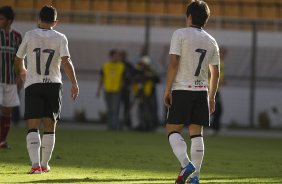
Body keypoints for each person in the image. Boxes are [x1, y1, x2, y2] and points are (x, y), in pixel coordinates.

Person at [14, 6, 79, 174]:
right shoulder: (61, 37)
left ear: (38, 19)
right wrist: (74, 83)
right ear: (55, 22)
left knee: (32, 125)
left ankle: (35, 165)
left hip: (33, 84)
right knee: (50, 125)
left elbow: (18, 58)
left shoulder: (29, 35)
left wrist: (22, 71)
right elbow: (66, 61)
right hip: (53, 84)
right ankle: (44, 164)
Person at [163, 1, 220, 184]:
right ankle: (195, 178)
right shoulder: (211, 40)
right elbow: (216, 73)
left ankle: (186, 164)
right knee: (197, 133)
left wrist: (167, 89)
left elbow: (173, 63)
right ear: (206, 19)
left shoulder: (179, 34)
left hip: (181, 88)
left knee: (172, 129)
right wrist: (211, 97)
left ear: (188, 16)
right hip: (201, 90)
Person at [0, 6, 22, 149]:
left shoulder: (17, 37)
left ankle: (2, 141)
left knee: (7, 111)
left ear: (9, 20)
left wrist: (19, 76)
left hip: (10, 80)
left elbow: (19, 59)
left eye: (1, 18)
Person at [96, 49, 125, 130]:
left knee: (115, 109)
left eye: (118, 56)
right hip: (107, 90)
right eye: (115, 56)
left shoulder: (121, 66)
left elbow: (123, 78)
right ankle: (110, 126)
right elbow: (102, 78)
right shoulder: (105, 66)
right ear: (111, 56)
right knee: (109, 109)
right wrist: (98, 90)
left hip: (117, 90)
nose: (117, 57)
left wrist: (121, 87)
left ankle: (115, 126)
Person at [210, 47, 226, 134]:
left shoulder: (221, 62)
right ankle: (214, 128)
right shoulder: (216, 61)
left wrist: (221, 81)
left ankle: (215, 127)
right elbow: (210, 73)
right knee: (218, 109)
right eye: (223, 52)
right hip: (211, 88)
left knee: (217, 109)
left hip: (216, 89)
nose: (225, 55)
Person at [119, 50, 135, 129]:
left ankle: (127, 123)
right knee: (117, 107)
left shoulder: (128, 65)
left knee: (127, 107)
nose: (122, 57)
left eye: (123, 55)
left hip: (126, 90)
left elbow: (133, 75)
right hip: (117, 89)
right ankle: (118, 123)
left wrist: (130, 85)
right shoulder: (117, 65)